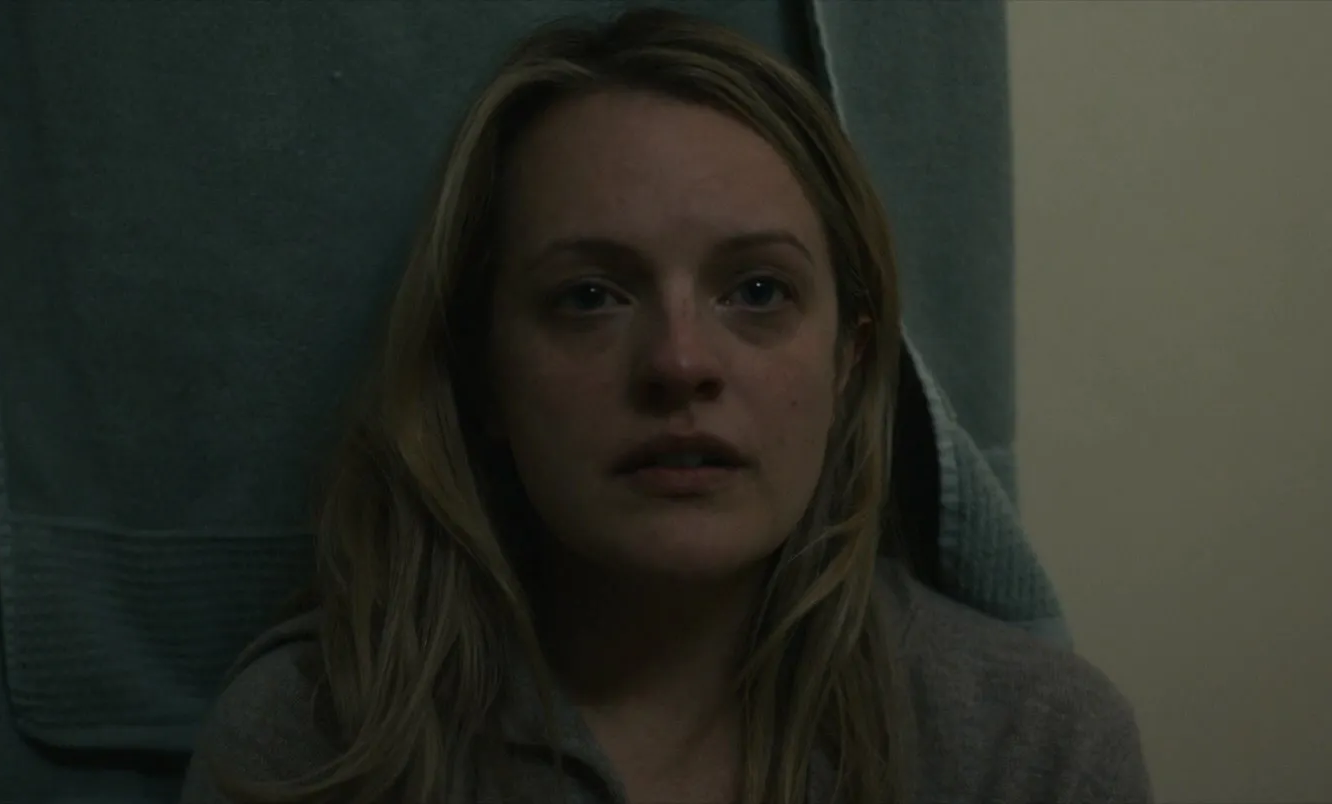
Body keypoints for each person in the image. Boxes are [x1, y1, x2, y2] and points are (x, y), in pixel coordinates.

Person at [181, 8, 1149, 804]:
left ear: (850, 367)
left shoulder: (1031, 748)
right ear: (481, 377)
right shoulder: (309, 743)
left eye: (758, 291)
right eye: (590, 297)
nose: (680, 363)